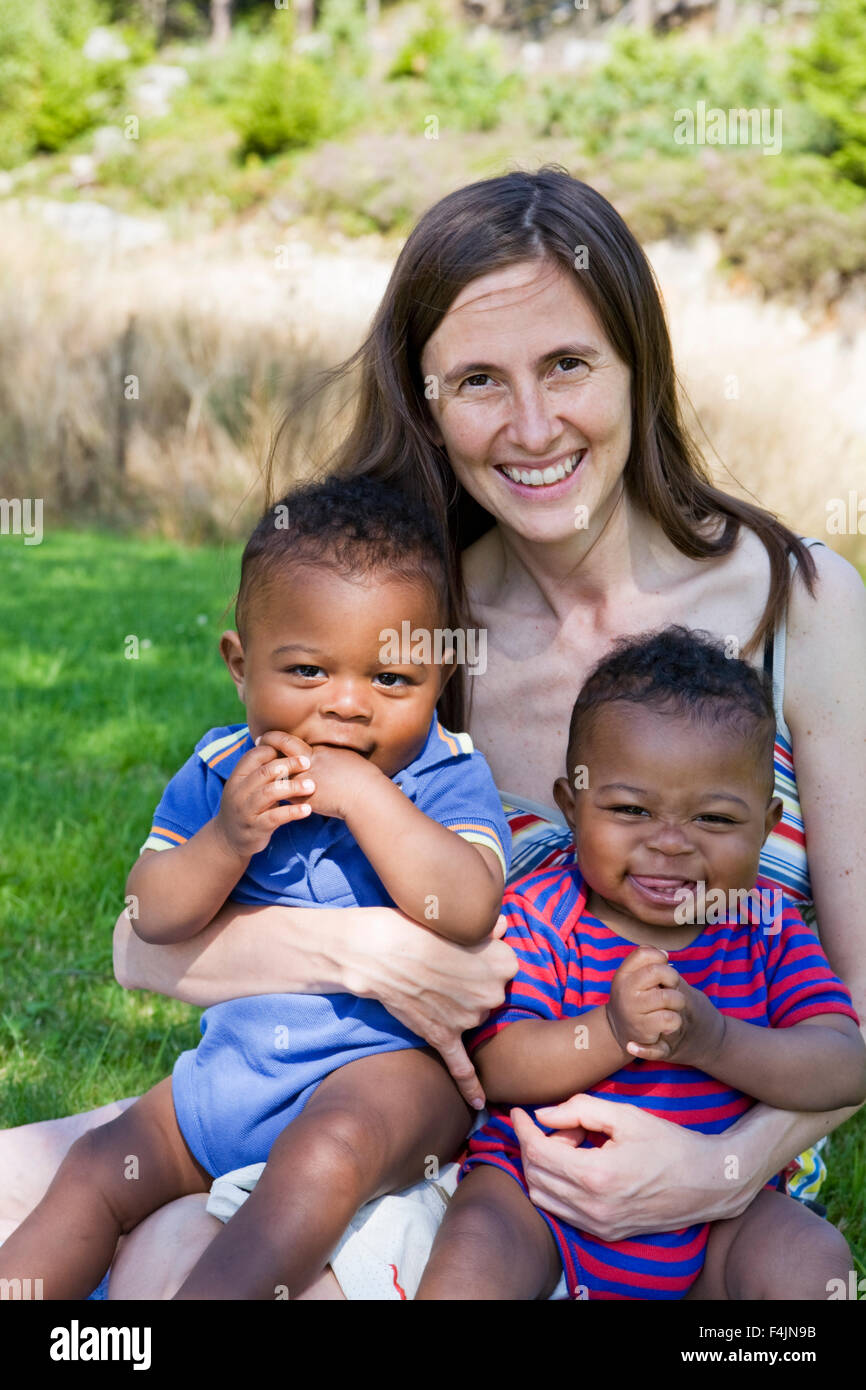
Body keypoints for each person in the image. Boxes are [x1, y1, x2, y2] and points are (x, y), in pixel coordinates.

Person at [1, 167, 863, 1300]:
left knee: (176, 1257)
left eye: (566, 365)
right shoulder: (403, 628)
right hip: (453, 1139)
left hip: (694, 1162)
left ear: (635, 366)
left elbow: (855, 1008)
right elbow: (138, 946)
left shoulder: (798, 602)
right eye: (476, 381)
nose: (532, 425)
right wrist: (368, 956)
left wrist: (715, 1169)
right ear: (424, 400)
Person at [0, 475, 511, 1300]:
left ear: (439, 677)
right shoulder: (221, 769)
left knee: (326, 1151)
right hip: (236, 1071)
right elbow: (149, 914)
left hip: (390, 1079)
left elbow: (466, 903)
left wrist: (363, 796)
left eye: (391, 681)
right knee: (100, 1165)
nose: (347, 709)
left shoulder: (442, 774)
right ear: (241, 666)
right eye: (308, 672)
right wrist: (226, 839)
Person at [416, 628, 865, 1301]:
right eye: (630, 810)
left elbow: (842, 1064)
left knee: (811, 1261)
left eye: (714, 819)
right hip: (542, 1201)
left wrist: (713, 1040)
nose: (669, 844)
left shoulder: (765, 922)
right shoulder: (543, 910)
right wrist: (611, 1027)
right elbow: (499, 1065)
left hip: (718, 1218)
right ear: (572, 807)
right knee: (477, 1246)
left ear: (768, 827)